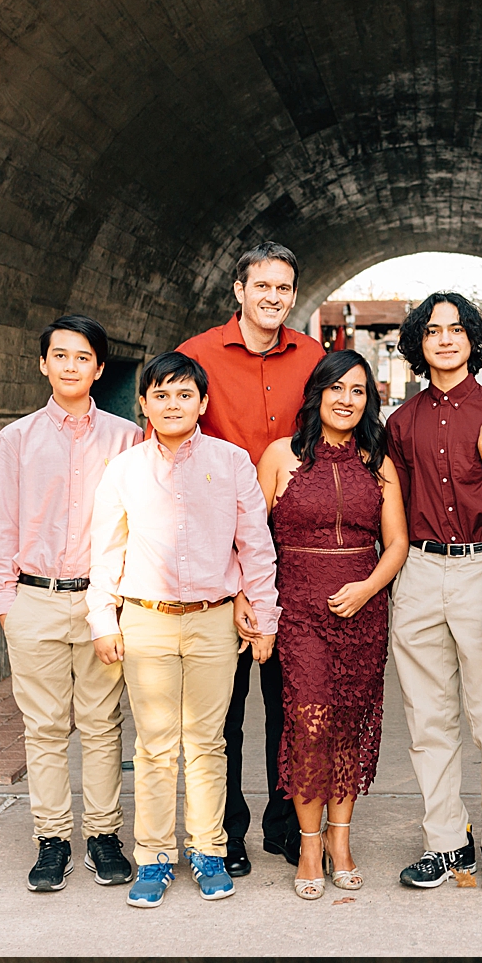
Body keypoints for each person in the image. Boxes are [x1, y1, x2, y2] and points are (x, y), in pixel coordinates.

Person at [88, 353, 280, 908]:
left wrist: (264, 618)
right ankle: (153, 857)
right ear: (144, 403)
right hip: (145, 619)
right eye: (161, 395)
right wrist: (103, 619)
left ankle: (208, 851)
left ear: (202, 403)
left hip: (213, 621)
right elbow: (106, 551)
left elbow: (256, 547)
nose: (173, 404)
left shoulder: (234, 461)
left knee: (206, 742)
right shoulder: (125, 469)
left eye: (184, 395)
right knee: (154, 745)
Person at [179, 245, 324, 877]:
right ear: (238, 289)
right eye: (261, 285)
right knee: (226, 708)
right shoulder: (198, 356)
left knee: (291, 704)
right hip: (217, 551)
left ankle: (287, 824)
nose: (273, 297)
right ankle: (226, 829)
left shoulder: (313, 358)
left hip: (293, 552)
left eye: (284, 288)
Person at [0, 315, 141, 895]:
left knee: (103, 724)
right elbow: (1, 520)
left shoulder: (126, 437)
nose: (70, 366)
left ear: (100, 369)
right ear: (43, 363)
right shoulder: (17, 438)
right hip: (34, 599)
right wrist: (6, 600)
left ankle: (103, 835)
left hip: (102, 602)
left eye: (83, 357)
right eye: (60, 355)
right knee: (45, 728)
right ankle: (51, 840)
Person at [385, 293, 482, 895]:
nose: (445, 339)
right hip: (418, 572)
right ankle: (444, 841)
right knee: (428, 720)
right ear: (418, 344)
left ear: (473, 340)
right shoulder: (400, 423)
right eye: (433, 331)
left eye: (457, 329)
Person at [257, 351, 408, 898]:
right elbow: (255, 541)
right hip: (299, 611)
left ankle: (341, 841)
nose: (347, 400)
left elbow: (396, 544)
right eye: (337, 388)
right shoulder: (280, 457)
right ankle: (309, 844)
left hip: (363, 610)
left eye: (359, 391)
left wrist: (369, 588)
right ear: (317, 393)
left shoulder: (378, 461)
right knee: (310, 725)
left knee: (349, 727)